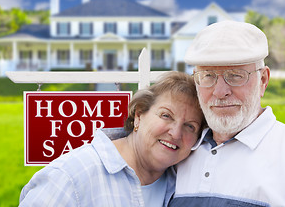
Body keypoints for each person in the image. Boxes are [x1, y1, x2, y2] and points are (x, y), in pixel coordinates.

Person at [19, 71, 205, 206]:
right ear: (139, 115)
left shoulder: (183, 185)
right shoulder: (71, 176)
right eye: (166, 115)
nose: (176, 133)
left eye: (190, 126)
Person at [169, 20, 285, 207]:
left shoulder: (284, 151)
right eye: (208, 76)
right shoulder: (178, 150)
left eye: (235, 75)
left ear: (263, 80)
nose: (220, 92)